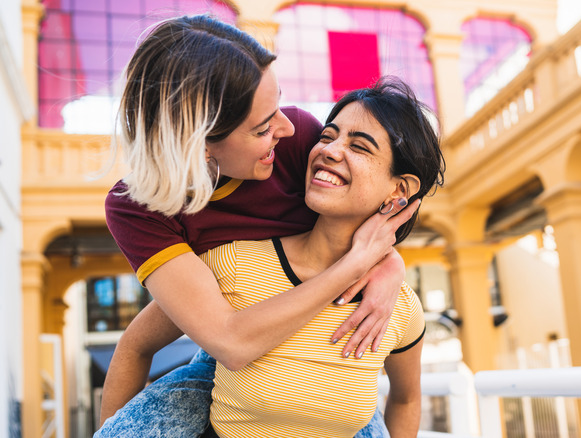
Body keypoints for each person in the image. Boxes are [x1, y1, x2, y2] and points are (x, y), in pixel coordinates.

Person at [97, 15, 417, 437]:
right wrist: (357, 264)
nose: (286, 127)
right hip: (231, 355)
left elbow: (375, 194)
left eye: (278, 105)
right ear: (200, 140)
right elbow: (229, 342)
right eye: (264, 126)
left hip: (329, 365)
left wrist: (388, 262)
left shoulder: (297, 138)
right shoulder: (138, 208)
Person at [201, 77, 444, 437]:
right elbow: (138, 346)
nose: (329, 150)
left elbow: (407, 400)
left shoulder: (400, 308)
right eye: (327, 137)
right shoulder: (232, 263)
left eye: (359, 147)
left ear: (399, 189)